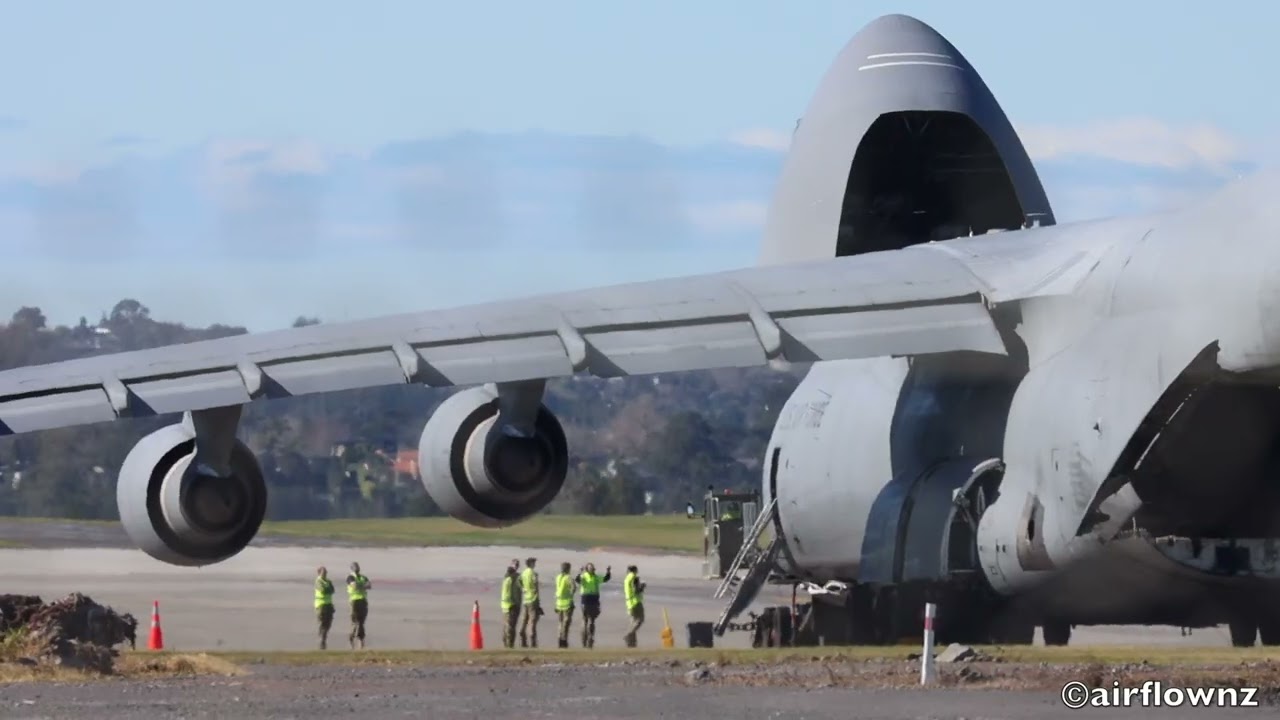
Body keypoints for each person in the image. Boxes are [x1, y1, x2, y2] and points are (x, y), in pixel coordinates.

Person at [576, 562, 611, 648]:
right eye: (590, 568)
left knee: (592, 620)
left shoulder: (596, 577)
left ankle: (590, 637)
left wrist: (608, 571)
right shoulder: (583, 576)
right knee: (585, 620)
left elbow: (605, 579)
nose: (591, 569)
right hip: (585, 599)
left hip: (594, 599)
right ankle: (584, 638)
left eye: (592, 568)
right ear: (587, 569)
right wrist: (580, 572)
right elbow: (577, 580)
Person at [346, 561, 373, 649]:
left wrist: (359, 586)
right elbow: (354, 586)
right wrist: (362, 586)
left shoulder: (363, 577)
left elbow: (369, 586)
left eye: (358, 566)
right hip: (354, 601)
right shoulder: (350, 577)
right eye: (355, 567)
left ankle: (361, 640)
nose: (357, 568)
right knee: (355, 622)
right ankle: (351, 638)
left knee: (362, 622)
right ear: (352, 568)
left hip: (363, 600)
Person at [519, 557, 542, 648]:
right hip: (533, 599)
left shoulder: (523, 572)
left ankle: (522, 633)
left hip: (526, 599)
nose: (535, 564)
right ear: (531, 564)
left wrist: (523, 589)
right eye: (534, 563)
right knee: (532, 620)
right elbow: (536, 585)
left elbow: (519, 581)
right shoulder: (533, 573)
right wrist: (538, 599)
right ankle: (532, 640)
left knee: (525, 619)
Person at [553, 562, 577, 648]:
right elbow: (574, 587)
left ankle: (560, 639)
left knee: (561, 623)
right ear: (568, 569)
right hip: (567, 603)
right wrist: (571, 595)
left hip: (559, 603)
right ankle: (563, 640)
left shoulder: (558, 577)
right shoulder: (568, 577)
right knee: (565, 623)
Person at [623, 565, 646, 648]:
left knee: (633, 622)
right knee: (640, 620)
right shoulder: (634, 578)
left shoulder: (626, 579)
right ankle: (628, 635)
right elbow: (636, 590)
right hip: (636, 602)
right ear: (635, 570)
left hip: (629, 603)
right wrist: (642, 586)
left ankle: (631, 643)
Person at [314, 566, 335, 649]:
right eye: (324, 572)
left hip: (329, 604)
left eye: (326, 572)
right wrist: (328, 589)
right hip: (321, 605)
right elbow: (323, 590)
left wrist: (328, 589)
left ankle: (323, 638)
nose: (325, 574)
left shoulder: (328, 581)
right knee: (322, 623)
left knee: (328, 623)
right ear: (319, 573)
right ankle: (321, 641)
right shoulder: (318, 581)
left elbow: (332, 590)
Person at [500, 565, 520, 648]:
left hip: (504, 606)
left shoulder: (505, 579)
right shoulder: (511, 580)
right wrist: (516, 603)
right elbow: (513, 593)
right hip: (510, 605)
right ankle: (510, 645)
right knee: (510, 627)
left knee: (505, 626)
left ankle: (505, 644)